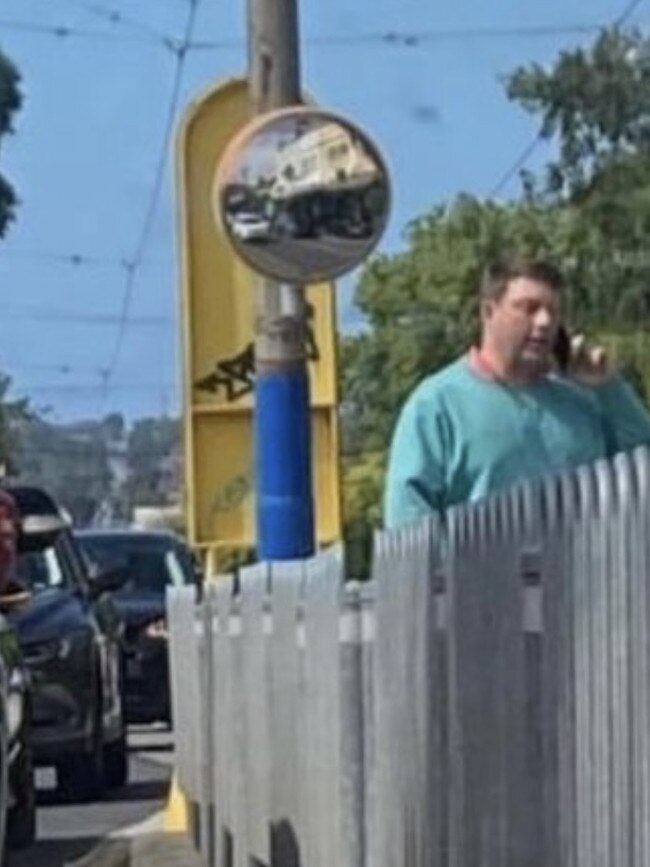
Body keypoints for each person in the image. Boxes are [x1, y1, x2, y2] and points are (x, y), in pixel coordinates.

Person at [384, 258, 650, 529]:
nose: (545, 322)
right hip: (478, 568)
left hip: (581, 567)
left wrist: (609, 388)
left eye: (553, 311)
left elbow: (642, 468)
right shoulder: (437, 405)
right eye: (529, 308)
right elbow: (409, 520)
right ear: (489, 312)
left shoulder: (582, 403)